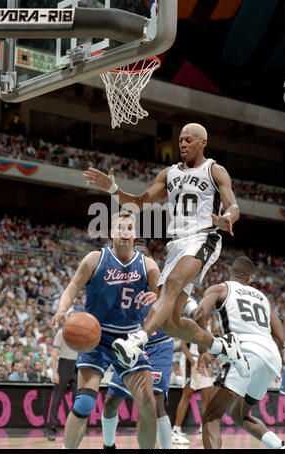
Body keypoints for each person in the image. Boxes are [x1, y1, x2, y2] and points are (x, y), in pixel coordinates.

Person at [83, 122, 248, 379]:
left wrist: (227, 217)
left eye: (188, 140)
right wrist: (113, 189)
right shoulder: (169, 173)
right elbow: (138, 203)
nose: (182, 144)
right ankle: (222, 347)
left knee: (171, 283)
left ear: (203, 142)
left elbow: (234, 206)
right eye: (180, 139)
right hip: (177, 243)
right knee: (170, 323)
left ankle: (136, 341)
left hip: (204, 237)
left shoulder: (214, 170)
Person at [51, 212, 162, 449]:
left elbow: (166, 299)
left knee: (147, 405)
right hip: (96, 337)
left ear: (135, 234)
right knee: (83, 404)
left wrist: (159, 296)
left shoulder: (148, 265)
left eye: (129, 227)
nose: (124, 231)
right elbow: (72, 287)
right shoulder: (95, 258)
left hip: (130, 341)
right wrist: (62, 309)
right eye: (120, 227)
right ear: (112, 232)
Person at [194, 256, 285, 449]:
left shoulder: (221, 288)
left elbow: (198, 314)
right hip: (271, 357)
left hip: (245, 353)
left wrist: (203, 350)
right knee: (239, 414)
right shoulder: (262, 297)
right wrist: (272, 358)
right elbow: (280, 336)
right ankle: (279, 446)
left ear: (230, 271)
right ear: (249, 278)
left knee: (211, 417)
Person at [101, 243, 175, 450]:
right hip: (132, 347)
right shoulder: (118, 285)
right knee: (111, 402)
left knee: (157, 402)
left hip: (158, 347)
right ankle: (108, 446)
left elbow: (181, 302)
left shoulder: (161, 287)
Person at [172, 340, 216, 445]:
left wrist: (209, 364)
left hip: (203, 362)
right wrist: (192, 362)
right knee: (187, 394)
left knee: (208, 395)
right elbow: (183, 344)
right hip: (190, 361)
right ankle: (176, 429)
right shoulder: (195, 323)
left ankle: (203, 428)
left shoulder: (212, 326)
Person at [47, 324, 77, 441]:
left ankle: (74, 430)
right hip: (64, 365)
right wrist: (55, 372)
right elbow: (54, 354)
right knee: (57, 398)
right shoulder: (61, 332)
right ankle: (52, 429)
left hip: (77, 366)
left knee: (78, 400)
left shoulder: (83, 333)